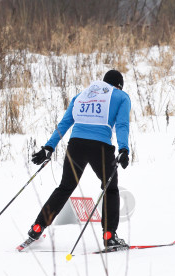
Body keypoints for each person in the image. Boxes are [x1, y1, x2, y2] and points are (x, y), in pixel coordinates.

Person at [25, 69, 131, 250]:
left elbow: (64, 123)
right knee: (110, 189)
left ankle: (38, 227)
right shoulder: (121, 96)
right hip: (101, 147)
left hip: (76, 146)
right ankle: (109, 235)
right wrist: (123, 149)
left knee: (65, 187)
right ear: (119, 85)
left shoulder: (81, 96)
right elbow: (121, 124)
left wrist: (49, 147)